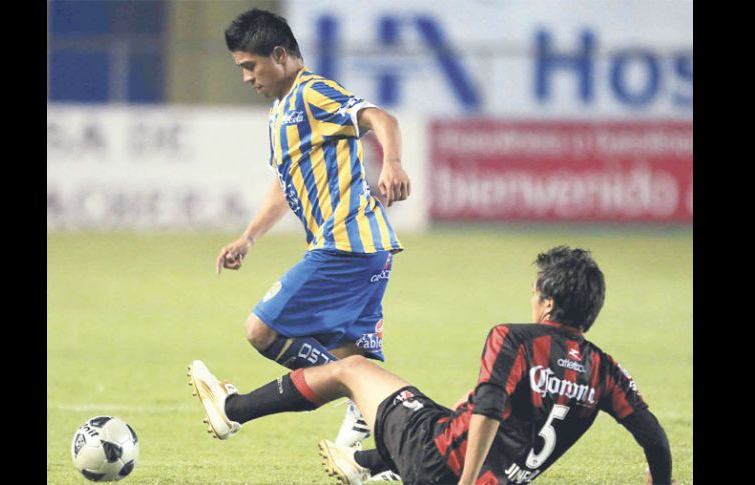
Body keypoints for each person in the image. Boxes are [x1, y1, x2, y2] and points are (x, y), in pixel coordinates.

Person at [189, 246, 675, 484]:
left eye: (535, 291)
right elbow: (652, 435)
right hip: (490, 473)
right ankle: (365, 463)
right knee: (455, 406)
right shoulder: (603, 370)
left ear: (547, 305)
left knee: (352, 369)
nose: (531, 298)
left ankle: (233, 410)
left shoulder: (516, 338)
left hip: (440, 462)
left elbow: (486, 410)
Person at [213, 8, 410, 449]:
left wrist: (393, 161)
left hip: (347, 244)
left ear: (279, 55)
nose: (247, 78)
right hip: (364, 250)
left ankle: (356, 395)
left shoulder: (312, 92)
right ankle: (382, 451)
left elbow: (383, 119)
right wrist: (248, 237)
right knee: (354, 360)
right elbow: (286, 188)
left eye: (250, 66)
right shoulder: (279, 113)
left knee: (262, 331)